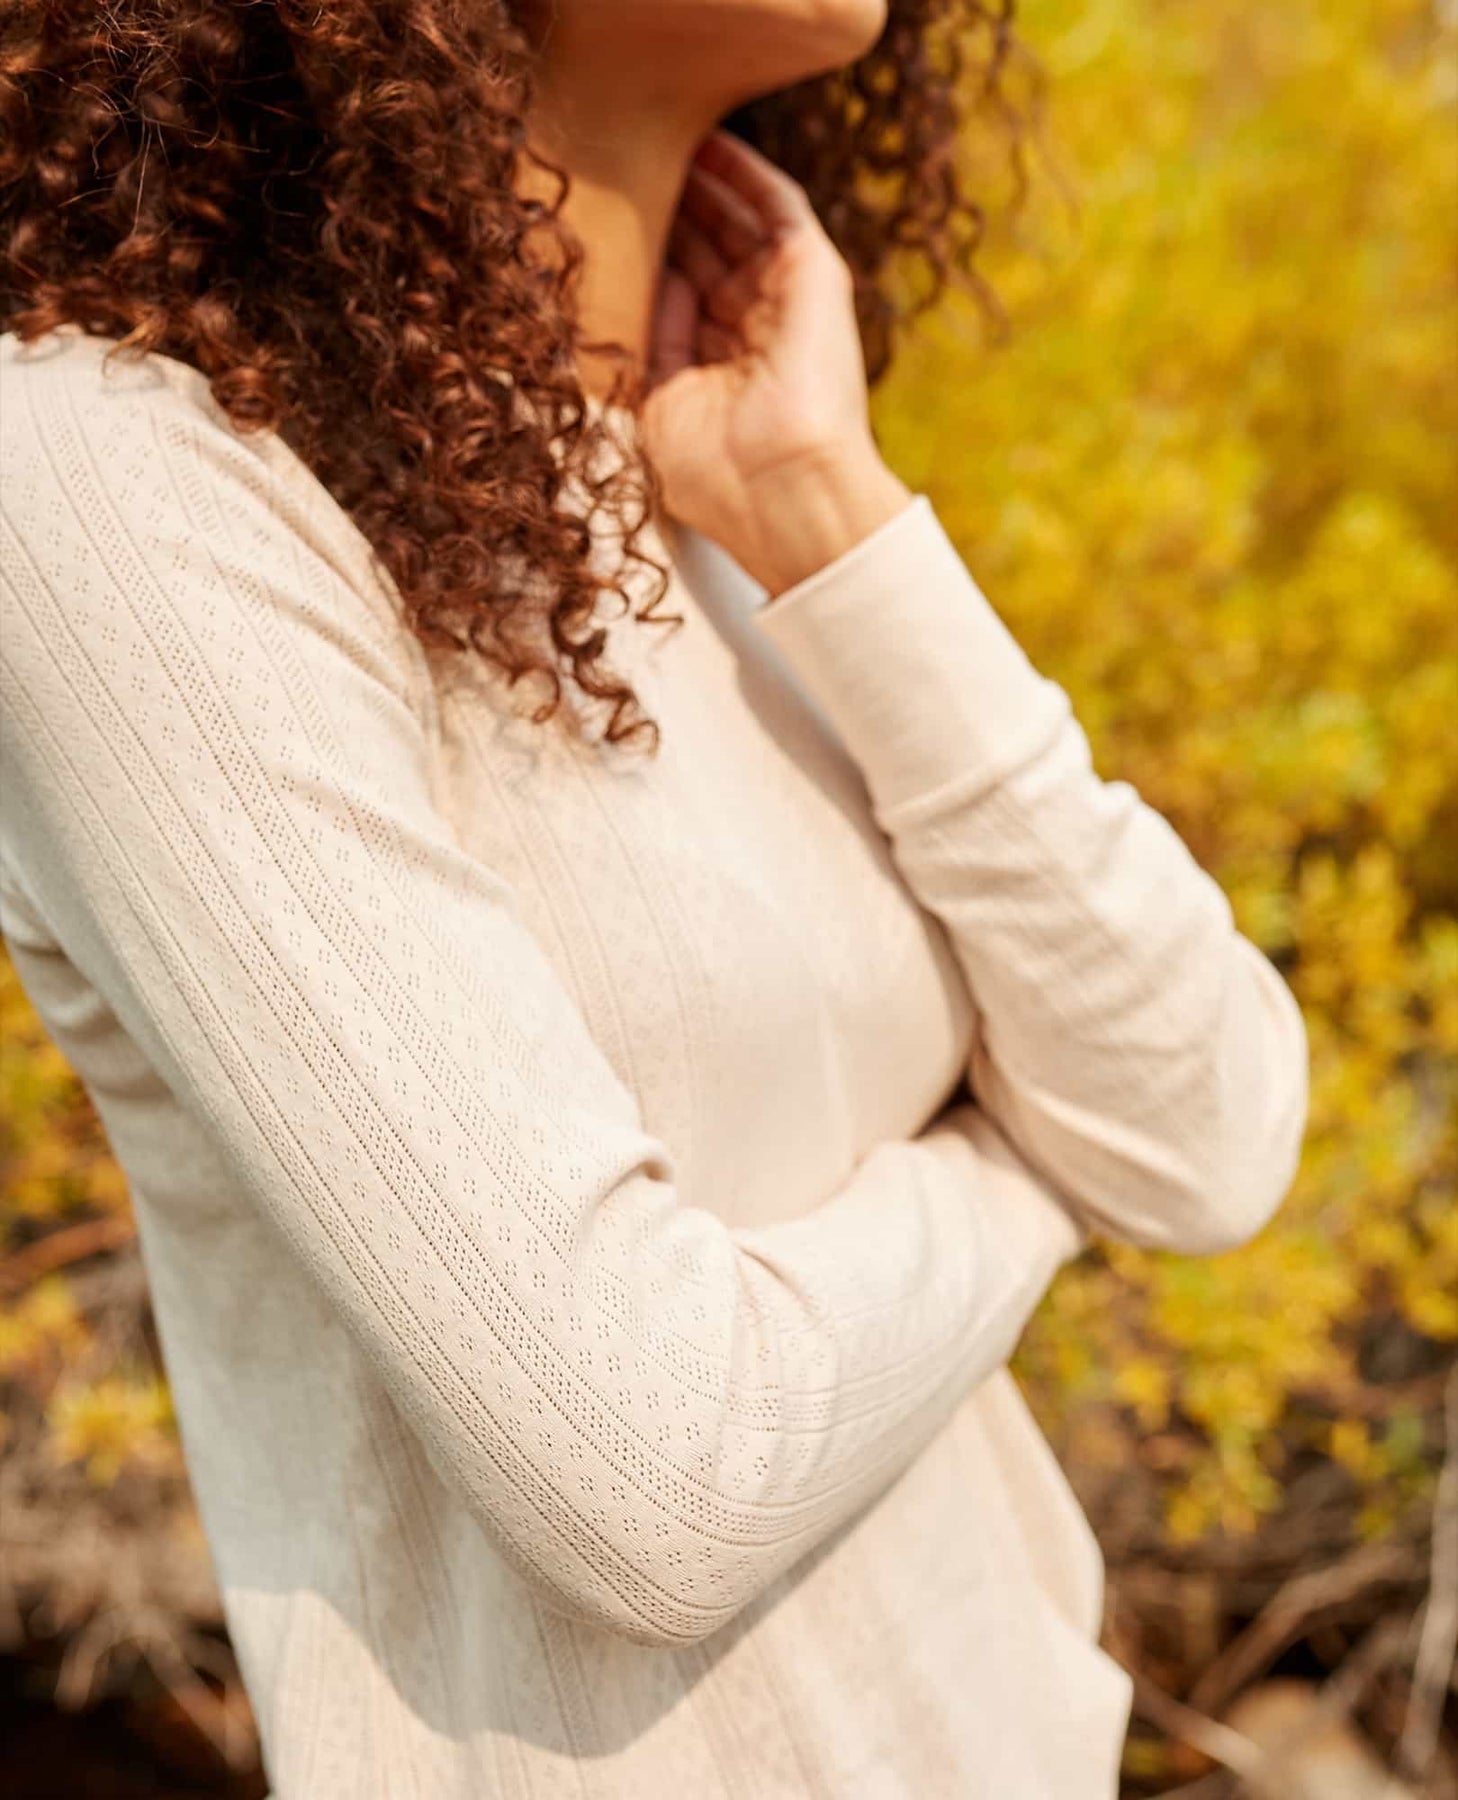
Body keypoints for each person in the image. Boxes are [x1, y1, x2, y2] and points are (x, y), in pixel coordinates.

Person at [0, 2, 1309, 1795]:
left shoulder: (711, 441)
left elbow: (1213, 1126)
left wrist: (825, 511)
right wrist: (1030, 1175)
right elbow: (652, 1478)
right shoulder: (109, 479)